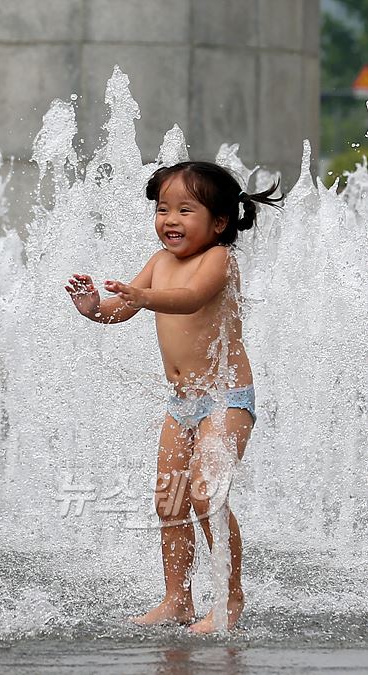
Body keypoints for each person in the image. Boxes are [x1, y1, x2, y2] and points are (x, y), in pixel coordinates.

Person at [64, 161, 282, 633]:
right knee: (170, 498)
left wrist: (142, 297)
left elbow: (189, 299)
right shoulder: (159, 261)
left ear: (219, 222)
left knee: (207, 492)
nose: (170, 220)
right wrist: (94, 309)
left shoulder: (219, 260)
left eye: (186, 209)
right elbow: (120, 308)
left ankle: (229, 600)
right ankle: (176, 599)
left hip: (225, 398)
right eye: (163, 209)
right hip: (181, 402)